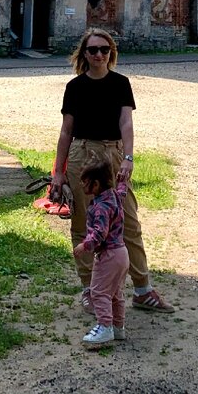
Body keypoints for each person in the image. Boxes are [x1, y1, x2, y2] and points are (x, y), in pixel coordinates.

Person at [51, 28, 174, 315]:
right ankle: (90, 291)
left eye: (104, 50)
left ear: (111, 53)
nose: (98, 55)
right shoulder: (75, 87)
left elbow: (126, 124)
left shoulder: (121, 83)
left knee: (127, 220)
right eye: (93, 50)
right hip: (82, 154)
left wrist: (128, 158)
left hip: (113, 154)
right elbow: (65, 132)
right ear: (84, 54)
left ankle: (142, 289)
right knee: (82, 223)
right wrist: (58, 172)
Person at [73, 160, 129, 348]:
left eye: (85, 181)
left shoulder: (101, 207)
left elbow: (99, 232)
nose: (82, 185)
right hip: (122, 253)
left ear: (95, 184)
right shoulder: (114, 196)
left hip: (109, 255)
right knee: (115, 293)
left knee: (98, 292)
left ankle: (104, 327)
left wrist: (85, 245)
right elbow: (122, 192)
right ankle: (118, 327)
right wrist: (123, 181)